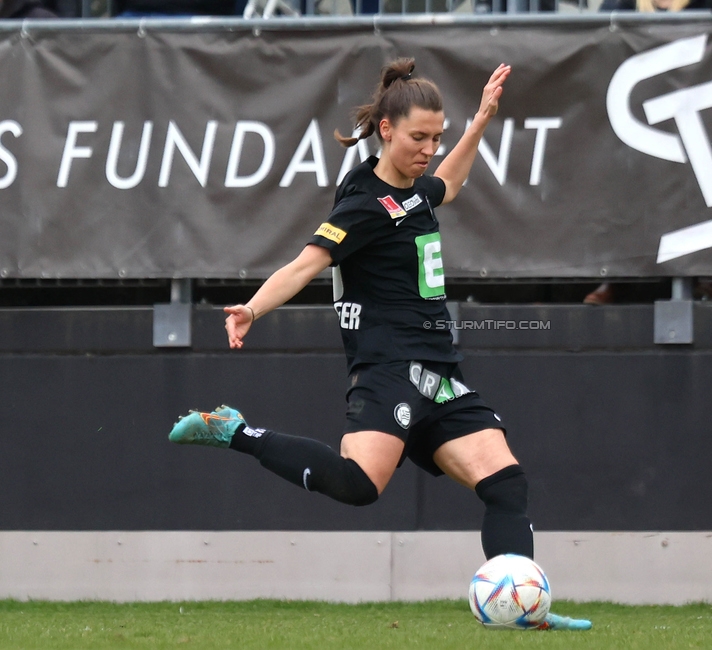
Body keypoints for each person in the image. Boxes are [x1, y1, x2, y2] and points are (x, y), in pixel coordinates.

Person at [168, 58, 591, 632]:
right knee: (358, 487)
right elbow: (305, 265)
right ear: (387, 130)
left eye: (436, 137)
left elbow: (453, 182)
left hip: (440, 373)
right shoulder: (364, 205)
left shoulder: (414, 191)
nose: (429, 148)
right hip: (388, 366)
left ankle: (519, 606)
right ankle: (234, 430)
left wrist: (480, 123)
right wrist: (252, 308)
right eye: (419, 137)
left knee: (505, 483)